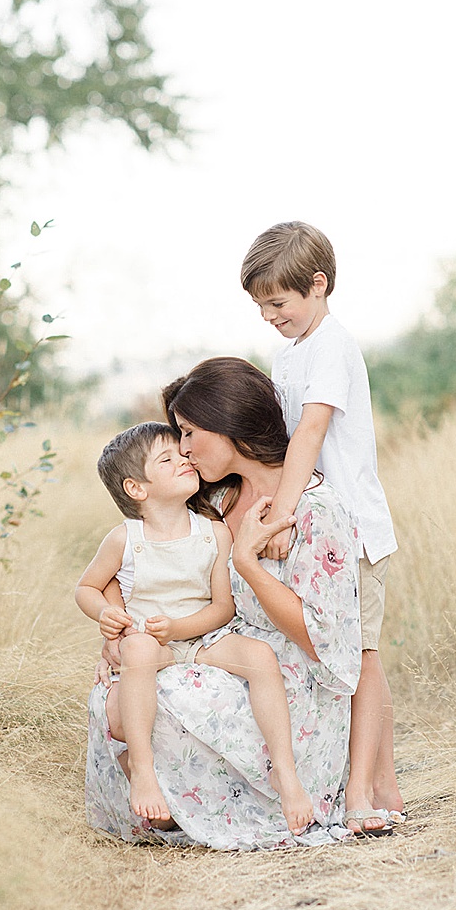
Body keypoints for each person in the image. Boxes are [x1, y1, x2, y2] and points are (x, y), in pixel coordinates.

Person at [85, 358, 362, 850]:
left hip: (289, 675)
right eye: (176, 439)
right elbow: (130, 564)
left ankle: (241, 793)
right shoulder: (215, 497)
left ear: (227, 423)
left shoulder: (316, 510)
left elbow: (322, 642)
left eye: (189, 433)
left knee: (154, 702)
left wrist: (248, 562)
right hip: (214, 644)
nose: (184, 451)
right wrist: (119, 627)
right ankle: (162, 796)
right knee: (121, 694)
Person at [240, 220, 405, 836]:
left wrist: (280, 515)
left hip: (353, 530)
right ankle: (380, 783)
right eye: (260, 307)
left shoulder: (333, 344)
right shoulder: (289, 353)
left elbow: (309, 432)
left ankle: (361, 793)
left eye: (278, 303)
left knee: (359, 657)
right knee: (349, 658)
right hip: (319, 532)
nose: (270, 316)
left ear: (318, 285)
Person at [75, 421, 314, 835]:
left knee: (260, 656)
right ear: (137, 489)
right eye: (166, 460)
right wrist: (103, 613)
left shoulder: (214, 532)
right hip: (152, 641)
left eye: (182, 453)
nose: (184, 459)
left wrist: (181, 626)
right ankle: (144, 768)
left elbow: (222, 608)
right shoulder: (124, 539)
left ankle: (285, 772)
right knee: (138, 651)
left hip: (202, 637)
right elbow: (87, 587)